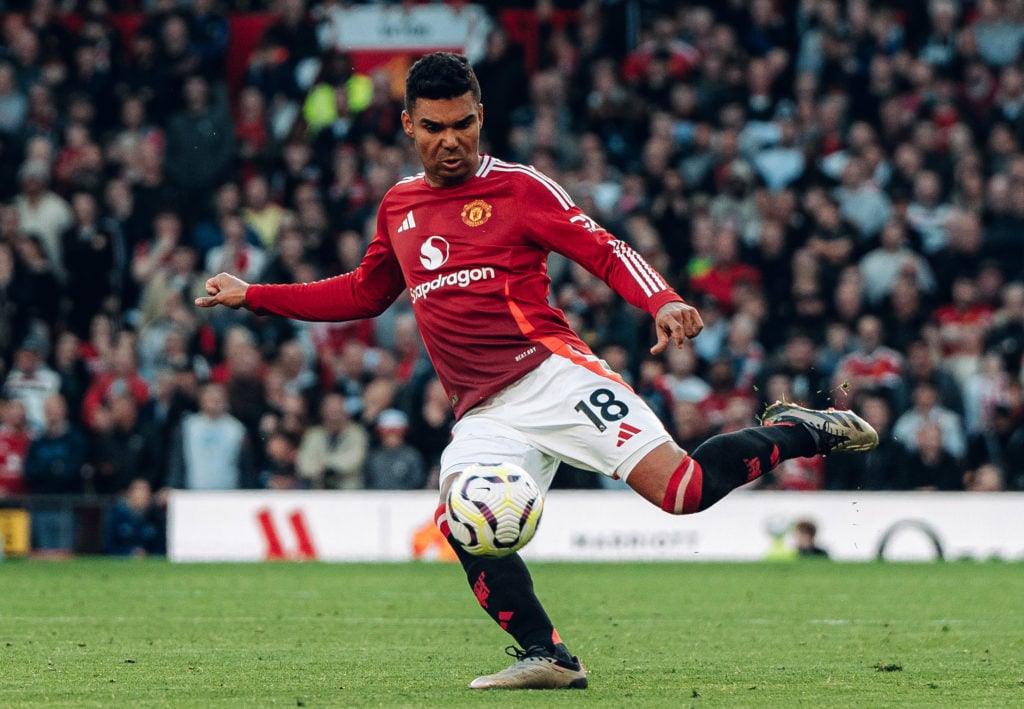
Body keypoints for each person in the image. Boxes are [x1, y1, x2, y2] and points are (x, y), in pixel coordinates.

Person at [195, 52, 879, 691]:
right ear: (408, 125)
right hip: (484, 413)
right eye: (433, 128)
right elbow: (364, 293)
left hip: (554, 375)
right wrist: (255, 295)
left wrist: (663, 297)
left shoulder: (519, 188)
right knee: (462, 520)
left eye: (463, 123)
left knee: (684, 491)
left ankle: (801, 430)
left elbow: (602, 247)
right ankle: (547, 654)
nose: (451, 140)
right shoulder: (398, 207)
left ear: (480, 116)